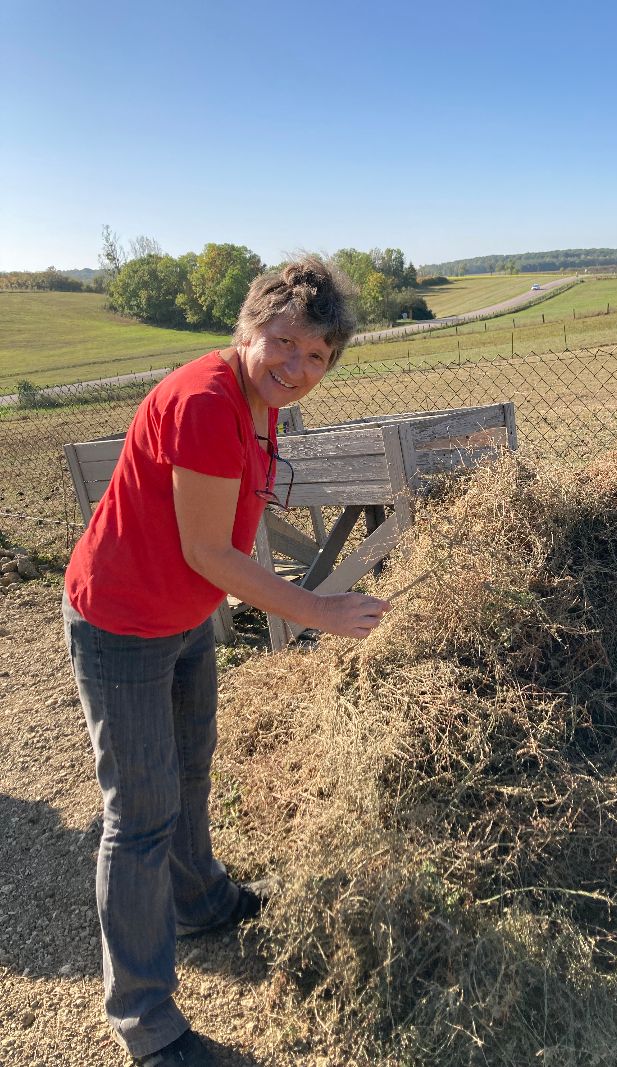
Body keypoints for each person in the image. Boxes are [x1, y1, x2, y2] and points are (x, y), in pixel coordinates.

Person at [62, 257, 390, 1066]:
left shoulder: (259, 401)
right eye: (284, 343)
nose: (298, 367)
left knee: (193, 768)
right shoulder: (208, 401)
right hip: (122, 620)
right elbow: (210, 549)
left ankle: (202, 900)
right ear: (249, 331)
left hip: (180, 617)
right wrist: (320, 611)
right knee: (138, 816)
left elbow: (224, 539)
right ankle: (144, 1019)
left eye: (318, 356)